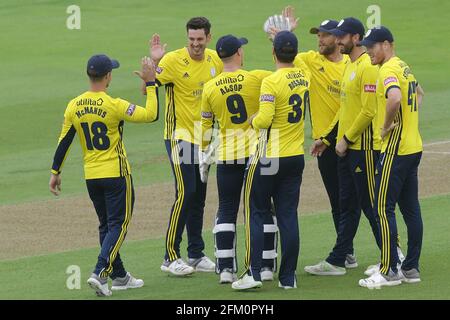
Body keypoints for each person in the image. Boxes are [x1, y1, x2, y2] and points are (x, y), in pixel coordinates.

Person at [49, 54, 158, 296]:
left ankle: (119, 276)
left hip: (92, 177)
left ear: (90, 76)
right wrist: (151, 83)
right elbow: (151, 114)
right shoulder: (114, 105)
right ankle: (100, 272)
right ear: (108, 76)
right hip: (117, 174)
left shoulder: (74, 105)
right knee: (118, 225)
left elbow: (64, 142)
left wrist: (55, 172)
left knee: (106, 225)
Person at [305, 17, 385, 276]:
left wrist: (346, 138)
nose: (337, 40)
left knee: (370, 205)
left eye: (342, 36)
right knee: (347, 204)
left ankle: (393, 256)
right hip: (348, 148)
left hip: (362, 148)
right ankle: (339, 259)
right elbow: (345, 110)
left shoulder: (366, 67)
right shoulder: (352, 66)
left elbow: (369, 110)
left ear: (356, 38)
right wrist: (329, 139)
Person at [232, 31, 309, 290]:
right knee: (288, 216)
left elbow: (264, 120)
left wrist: (252, 119)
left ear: (273, 53)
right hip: (294, 157)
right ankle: (288, 278)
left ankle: (252, 274)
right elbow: (293, 63)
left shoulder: (271, 82)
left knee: (256, 213)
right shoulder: (303, 76)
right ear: (295, 53)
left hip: (267, 158)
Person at [280, 6, 356, 267]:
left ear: (338, 39)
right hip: (325, 146)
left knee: (362, 201)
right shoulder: (311, 61)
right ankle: (346, 251)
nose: (320, 40)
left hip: (350, 139)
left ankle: (392, 249)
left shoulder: (351, 64)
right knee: (337, 201)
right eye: (317, 35)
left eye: (324, 35)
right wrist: (285, 33)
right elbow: (284, 56)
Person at [149, 17, 223, 276]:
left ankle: (195, 253)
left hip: (205, 140)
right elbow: (149, 86)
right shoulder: (171, 61)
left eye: (200, 40)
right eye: (191, 39)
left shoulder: (215, 61)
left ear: (208, 38)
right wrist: (157, 62)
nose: (195, 45)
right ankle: (170, 256)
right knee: (186, 192)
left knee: (199, 196)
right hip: (179, 136)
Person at [200, 35, 277, 284]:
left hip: (227, 155)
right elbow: (284, 75)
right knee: (262, 208)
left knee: (226, 209)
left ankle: (225, 269)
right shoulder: (256, 78)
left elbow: (204, 128)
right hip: (258, 153)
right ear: (239, 53)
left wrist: (204, 151)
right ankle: (265, 267)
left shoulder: (210, 87)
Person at [358, 26, 424, 288]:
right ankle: (411, 268)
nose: (368, 51)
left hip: (395, 150)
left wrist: (386, 127)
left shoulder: (388, 70)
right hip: (413, 147)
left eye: (372, 46)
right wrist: (410, 123)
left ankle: (389, 271)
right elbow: (419, 94)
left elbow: (394, 98)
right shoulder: (403, 66)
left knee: (382, 208)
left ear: (386, 44)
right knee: (411, 209)